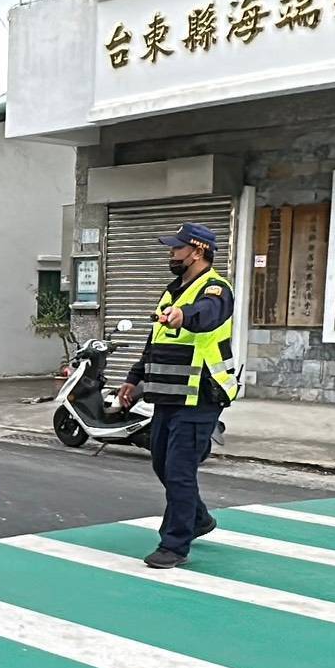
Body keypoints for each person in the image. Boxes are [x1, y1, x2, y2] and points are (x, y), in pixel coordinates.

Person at [116, 221, 238, 569]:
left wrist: (184, 315)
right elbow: (153, 342)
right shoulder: (172, 291)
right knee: (161, 463)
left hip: (201, 395)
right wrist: (133, 378)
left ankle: (174, 544)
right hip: (168, 394)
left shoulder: (215, 289)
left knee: (179, 469)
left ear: (198, 251)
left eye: (176, 248)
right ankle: (197, 518)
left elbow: (206, 316)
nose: (171, 254)